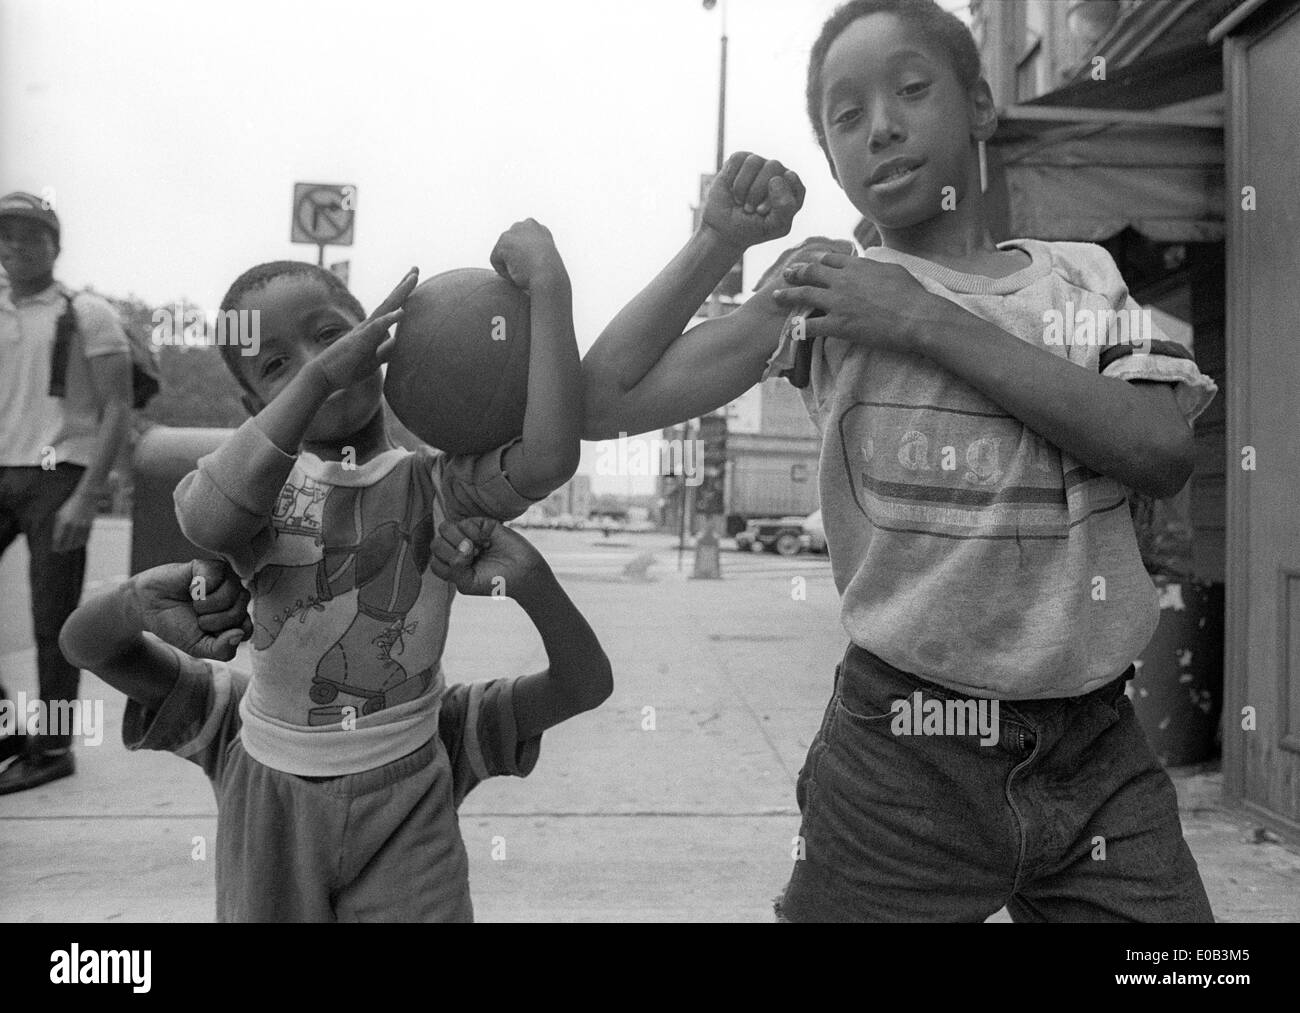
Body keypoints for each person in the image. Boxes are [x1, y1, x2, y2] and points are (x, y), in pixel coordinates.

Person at [582, 0, 1219, 922]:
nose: (881, 124)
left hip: (1096, 752)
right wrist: (718, 241)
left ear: (982, 107)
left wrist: (919, 317)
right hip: (901, 756)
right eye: (846, 116)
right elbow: (606, 399)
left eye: (912, 90)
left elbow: (1160, 450)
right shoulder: (822, 294)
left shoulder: (1082, 277)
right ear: (835, 160)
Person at [159, 218, 587, 919]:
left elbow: (546, 458)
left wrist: (549, 283)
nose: (311, 363)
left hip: (408, 786)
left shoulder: (437, 486)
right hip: (272, 789)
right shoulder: (261, 498)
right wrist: (322, 373)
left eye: (329, 335)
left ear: (381, 335)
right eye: (276, 366)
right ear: (254, 408)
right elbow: (206, 519)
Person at [59, 519, 612, 921]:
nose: (346, 622)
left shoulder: (439, 729)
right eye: (308, 603)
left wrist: (532, 582)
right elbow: (87, 647)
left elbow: (584, 685)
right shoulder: (237, 722)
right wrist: (136, 601)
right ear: (257, 619)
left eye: (389, 611)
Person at [0, 191, 133, 792]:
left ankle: (52, 747)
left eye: (31, 236)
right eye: (7, 236)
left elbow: (118, 406)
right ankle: (6, 728)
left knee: (53, 622)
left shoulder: (86, 313)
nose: (17, 247)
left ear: (55, 245)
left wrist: (89, 495)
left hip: (58, 477)